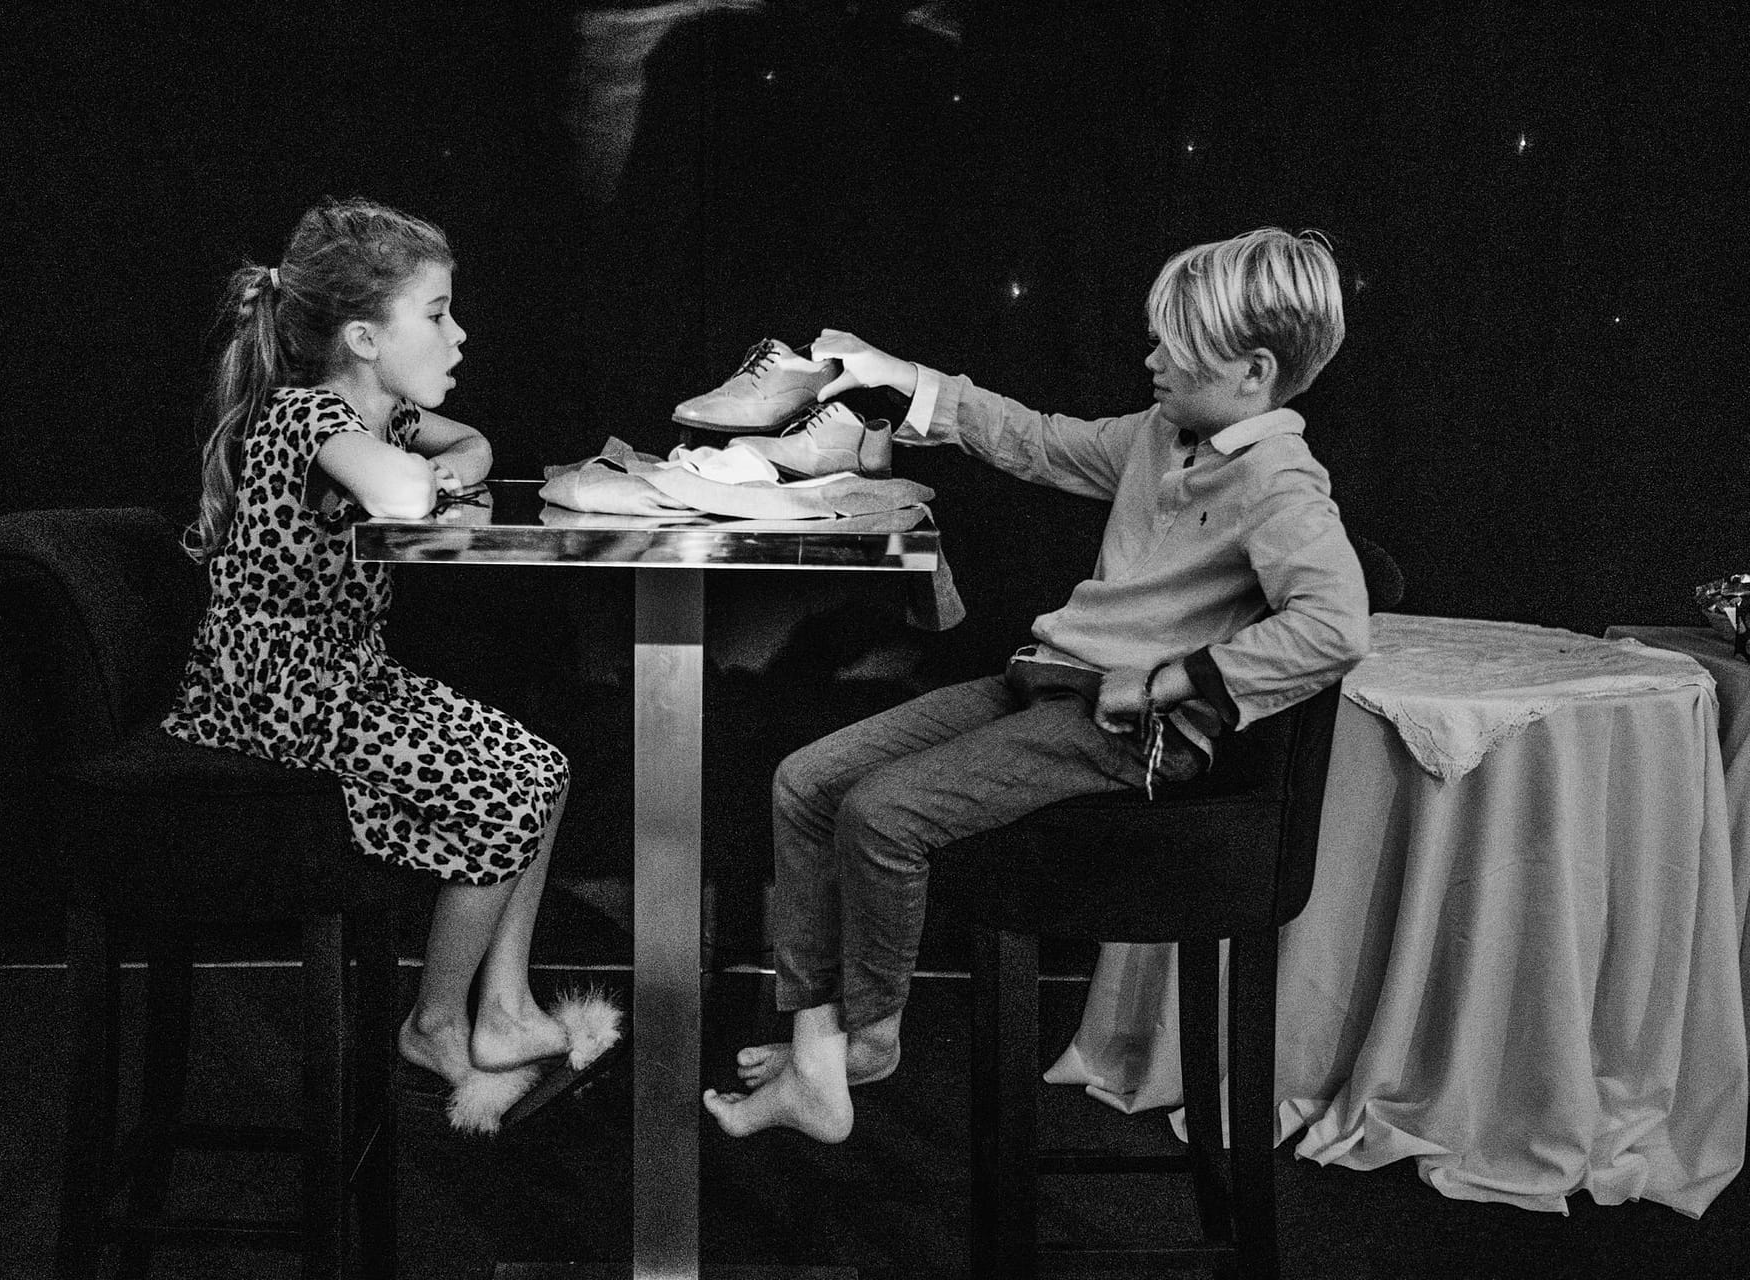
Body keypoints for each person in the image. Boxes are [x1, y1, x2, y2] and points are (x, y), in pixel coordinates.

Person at [703, 226, 1371, 1142]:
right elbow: (1035, 441)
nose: (1151, 357)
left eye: (1174, 343)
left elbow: (1336, 626)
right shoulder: (1162, 435)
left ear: (1253, 372)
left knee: (882, 815)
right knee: (806, 783)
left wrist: (1178, 678)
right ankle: (815, 1054)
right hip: (1046, 682)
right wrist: (900, 373)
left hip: (1121, 729)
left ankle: (866, 1039)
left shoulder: (1282, 485)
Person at [163, 196, 573, 1089]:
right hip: (275, 695)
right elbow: (401, 497)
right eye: (436, 315)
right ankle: (434, 1021)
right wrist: (430, 480)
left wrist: (449, 468)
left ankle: (501, 1010)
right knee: (506, 797)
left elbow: (470, 443)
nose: (458, 336)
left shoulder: (377, 418)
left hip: (344, 679)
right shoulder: (304, 417)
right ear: (362, 338)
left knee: (546, 769)